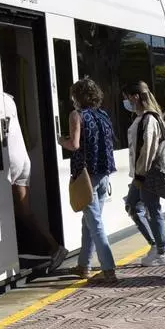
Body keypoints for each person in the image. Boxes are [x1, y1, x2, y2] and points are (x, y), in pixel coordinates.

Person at [59, 78, 117, 283]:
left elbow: (74, 145)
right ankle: (84, 265)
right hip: (103, 175)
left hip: (86, 176)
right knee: (89, 222)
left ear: (78, 97)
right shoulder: (103, 115)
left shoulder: (77, 115)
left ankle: (109, 269)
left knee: (96, 224)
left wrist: (60, 141)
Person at [2, 90, 67, 272]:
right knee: (25, 212)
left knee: (7, 211)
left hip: (9, 160)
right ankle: (55, 247)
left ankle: (11, 256)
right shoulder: (10, 99)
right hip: (22, 160)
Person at [122, 81, 165, 267]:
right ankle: (156, 246)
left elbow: (148, 150)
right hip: (141, 174)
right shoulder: (142, 117)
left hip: (146, 174)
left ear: (135, 96)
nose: (126, 101)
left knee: (152, 210)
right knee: (133, 207)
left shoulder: (149, 119)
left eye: (127, 97)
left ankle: (163, 251)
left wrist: (140, 177)